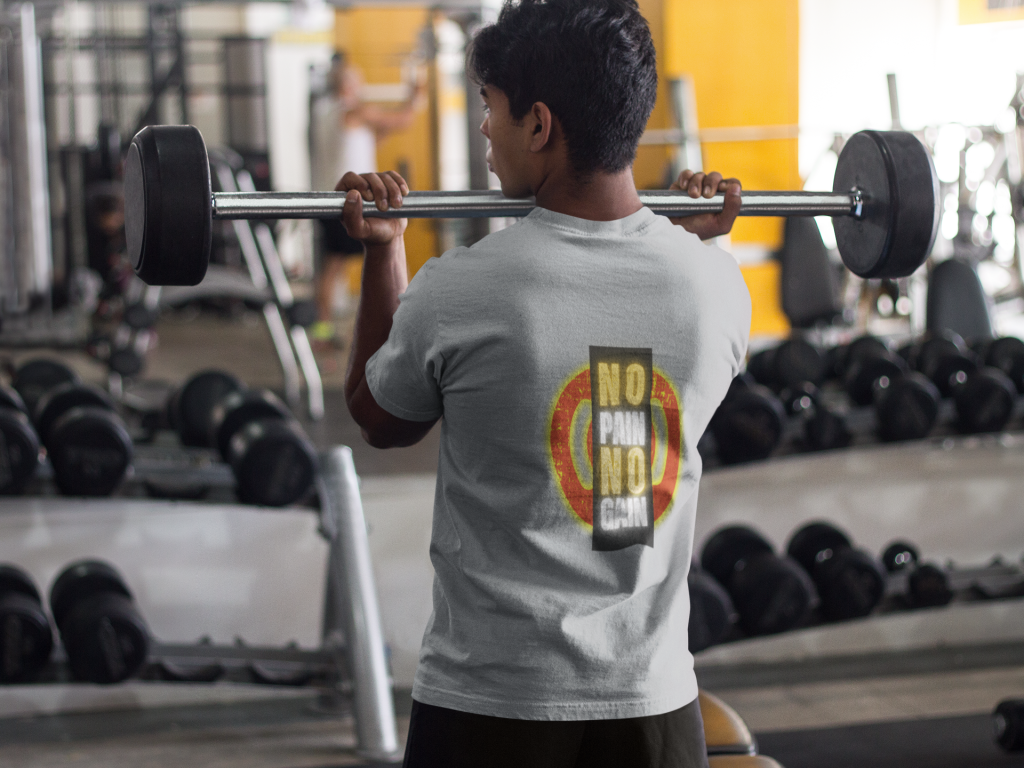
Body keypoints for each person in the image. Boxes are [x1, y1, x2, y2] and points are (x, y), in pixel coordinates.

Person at [340, 1, 750, 766]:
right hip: (655, 713)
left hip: (492, 709)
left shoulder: (464, 288)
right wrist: (689, 252)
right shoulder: (716, 289)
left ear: (539, 124)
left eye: (491, 108)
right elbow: (628, 411)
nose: (485, 130)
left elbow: (380, 415)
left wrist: (381, 253)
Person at [309, 53, 426, 346]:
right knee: (382, 258)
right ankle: (390, 329)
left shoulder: (326, 112)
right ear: (347, 85)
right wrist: (417, 94)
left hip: (328, 197)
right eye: (357, 81)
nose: (361, 87)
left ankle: (323, 330)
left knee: (331, 266)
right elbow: (404, 119)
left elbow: (369, 140)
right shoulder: (353, 111)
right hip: (350, 199)